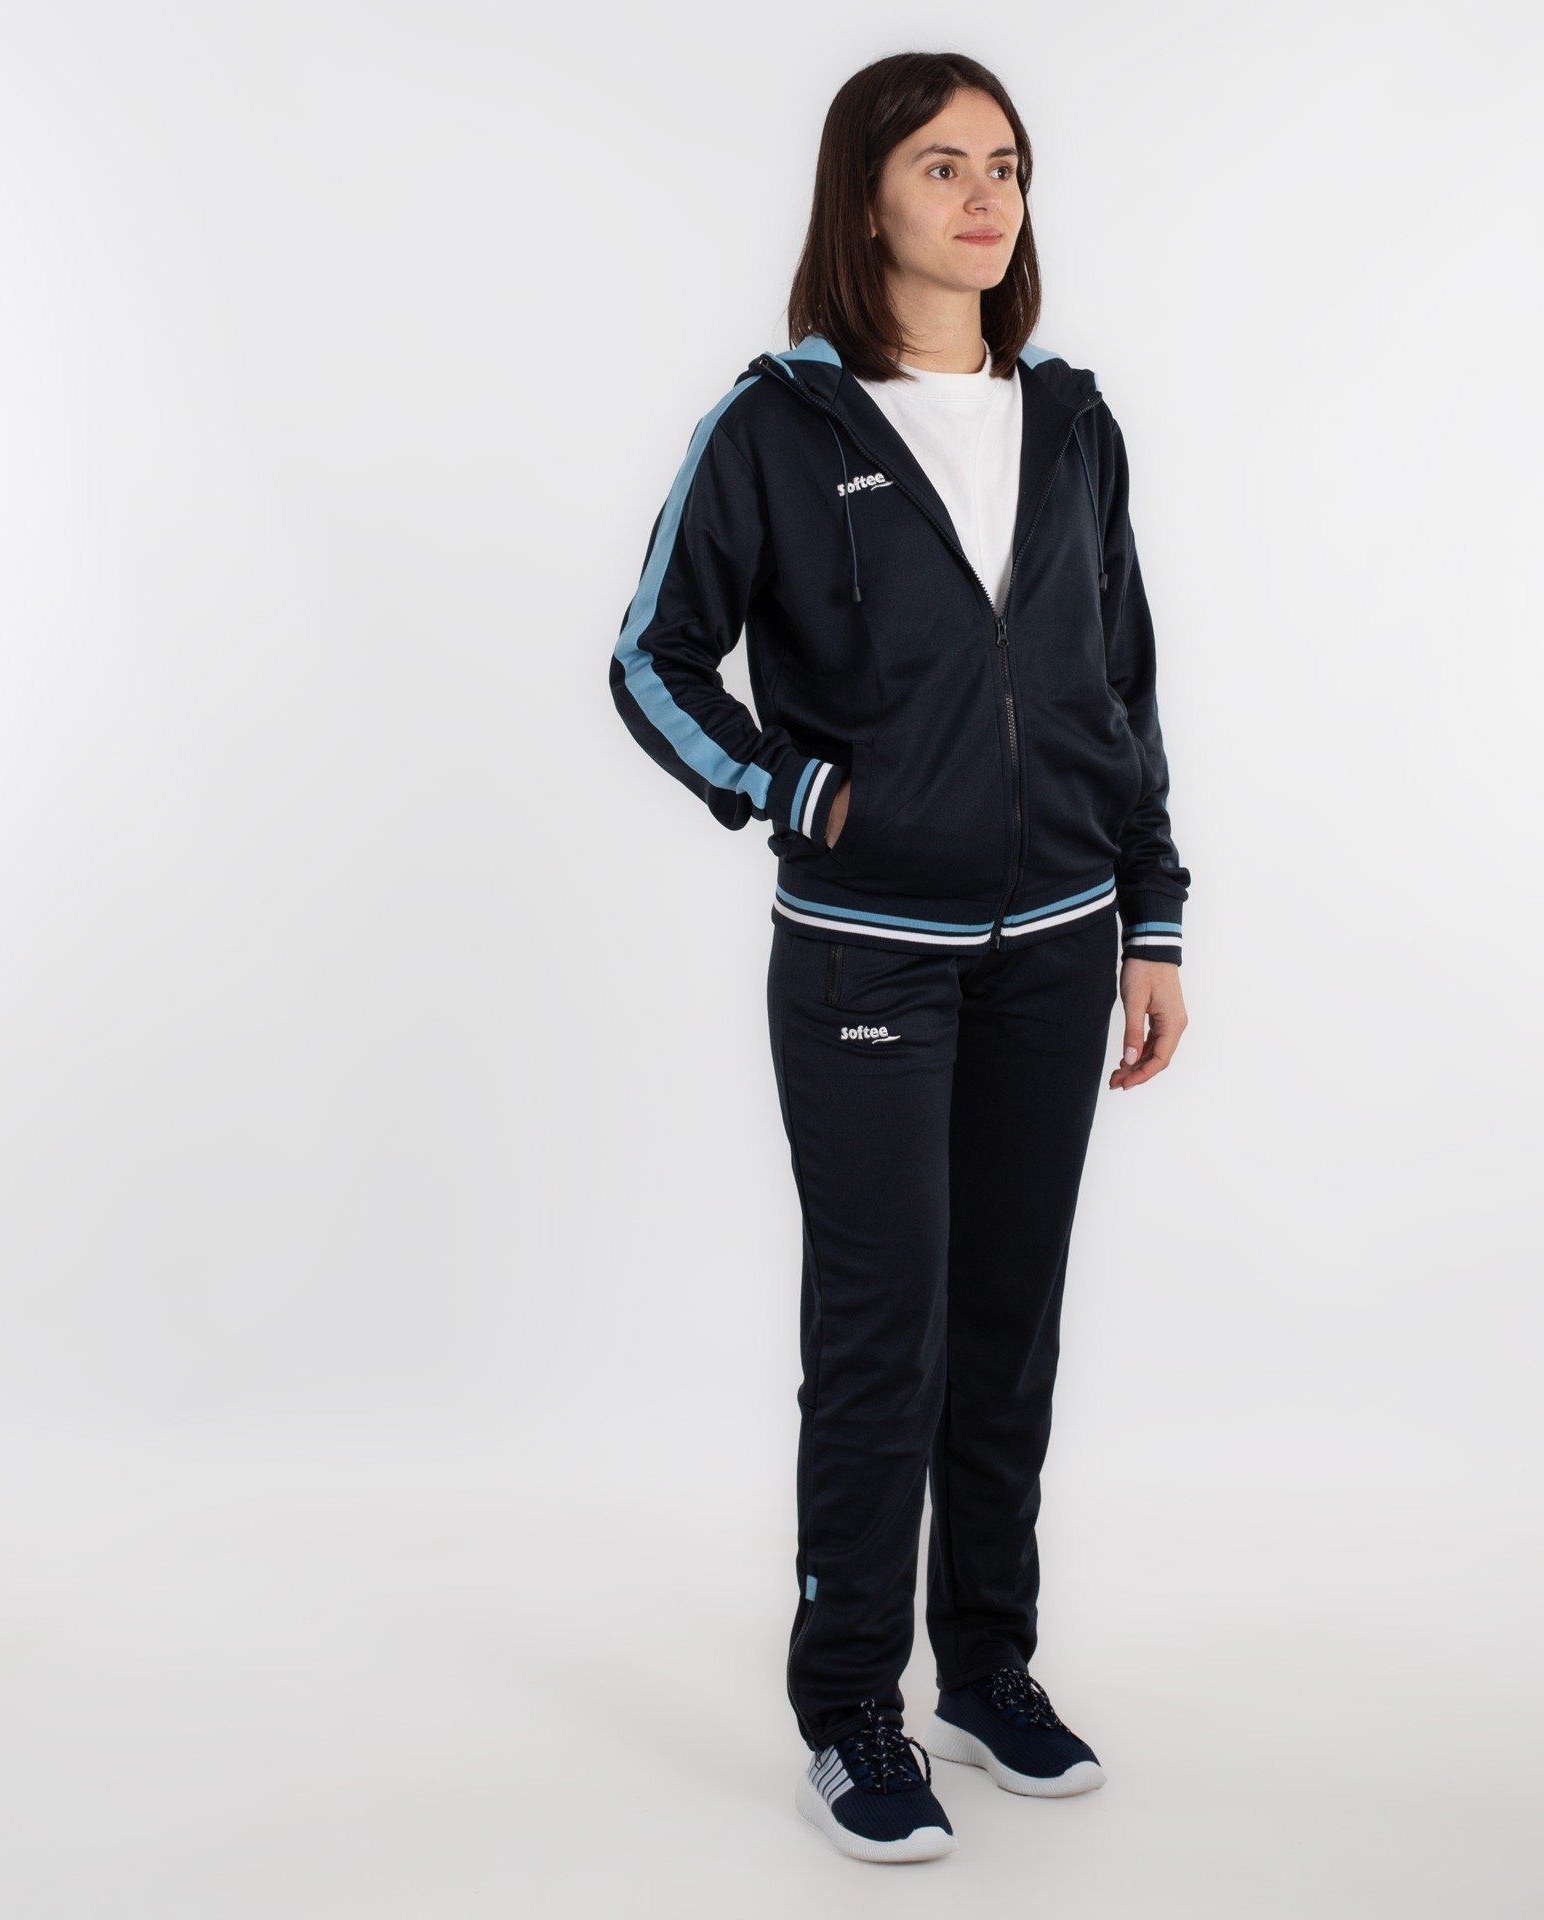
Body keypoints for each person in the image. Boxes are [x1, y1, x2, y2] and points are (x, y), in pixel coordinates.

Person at [608, 50, 1191, 1865]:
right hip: (869, 959)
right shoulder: (779, 425)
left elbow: (1118, 684)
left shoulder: (1072, 420)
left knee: (1007, 1332)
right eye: (941, 165)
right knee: (885, 1342)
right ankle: (849, 1706)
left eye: (1004, 163)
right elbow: (650, 659)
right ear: (863, 199)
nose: (984, 193)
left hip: (1057, 949)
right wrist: (796, 793)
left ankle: (984, 1668)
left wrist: (1153, 912)